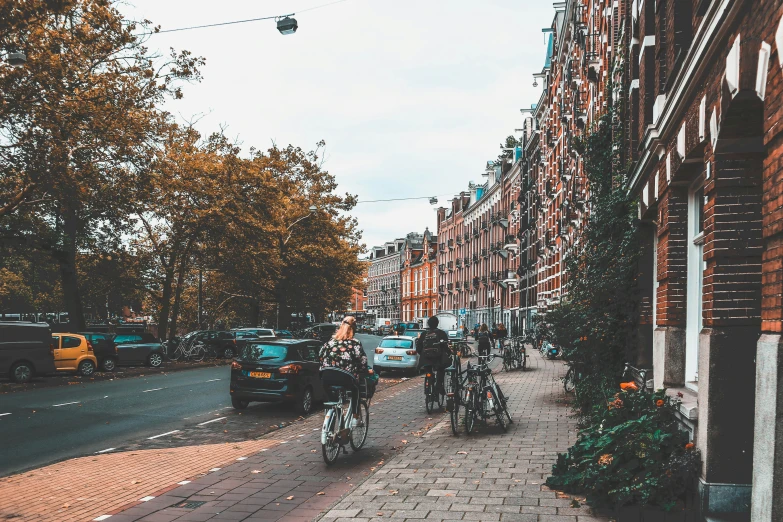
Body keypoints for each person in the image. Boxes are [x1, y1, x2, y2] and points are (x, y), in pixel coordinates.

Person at [319, 315, 370, 422]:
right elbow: (363, 361)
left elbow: (320, 355)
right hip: (345, 377)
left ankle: (334, 418)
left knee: (333, 400)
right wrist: (364, 371)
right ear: (353, 329)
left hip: (326, 376)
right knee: (355, 390)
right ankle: (356, 417)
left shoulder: (330, 342)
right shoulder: (355, 343)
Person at [416, 316, 450, 395]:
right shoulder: (441, 333)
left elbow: (418, 348)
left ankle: (429, 382)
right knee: (441, 370)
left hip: (426, 359)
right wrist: (448, 353)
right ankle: (439, 386)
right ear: (437, 323)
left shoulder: (424, 334)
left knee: (428, 370)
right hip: (438, 359)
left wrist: (423, 354)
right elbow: (445, 346)